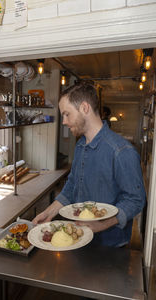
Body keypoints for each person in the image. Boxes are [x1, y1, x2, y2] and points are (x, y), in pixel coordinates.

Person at [33, 82, 146, 247]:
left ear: (85, 108)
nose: (63, 121)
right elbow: (72, 185)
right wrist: (48, 212)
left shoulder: (121, 151)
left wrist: (102, 224)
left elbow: (135, 200)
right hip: (79, 238)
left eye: (67, 114)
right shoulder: (80, 146)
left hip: (109, 246)